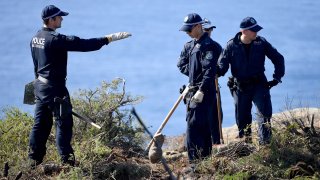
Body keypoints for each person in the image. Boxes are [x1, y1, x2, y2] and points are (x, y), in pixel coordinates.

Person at [29, 5, 131, 168]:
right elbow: (83, 44)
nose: (62, 19)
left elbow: (36, 65)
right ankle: (67, 163)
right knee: (64, 124)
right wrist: (108, 38)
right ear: (51, 20)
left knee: (40, 125)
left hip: (40, 87)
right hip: (56, 89)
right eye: (59, 17)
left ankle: (33, 161)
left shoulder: (36, 38)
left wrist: (37, 89)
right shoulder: (56, 40)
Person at [217, 17, 285, 145]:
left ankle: (265, 147)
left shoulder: (261, 43)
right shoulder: (231, 46)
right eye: (253, 30)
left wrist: (277, 77)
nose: (256, 33)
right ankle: (246, 147)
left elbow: (278, 58)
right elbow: (222, 67)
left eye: (256, 30)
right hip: (240, 88)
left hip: (260, 85)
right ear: (244, 31)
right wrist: (217, 71)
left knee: (264, 116)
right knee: (242, 120)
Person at [177, 13, 221, 163]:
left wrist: (201, 90)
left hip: (203, 92)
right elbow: (184, 66)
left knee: (193, 127)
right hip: (194, 89)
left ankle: (195, 164)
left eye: (189, 30)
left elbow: (210, 71)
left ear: (198, 26)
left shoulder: (208, 46)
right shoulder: (193, 44)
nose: (187, 33)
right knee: (202, 127)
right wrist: (192, 81)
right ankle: (204, 162)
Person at [202, 18, 224, 145]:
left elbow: (223, 63)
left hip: (212, 85)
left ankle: (216, 143)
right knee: (196, 118)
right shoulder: (190, 46)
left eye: (210, 29)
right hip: (196, 86)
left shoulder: (216, 46)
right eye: (206, 29)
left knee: (215, 115)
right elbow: (182, 64)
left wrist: (217, 72)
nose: (209, 32)